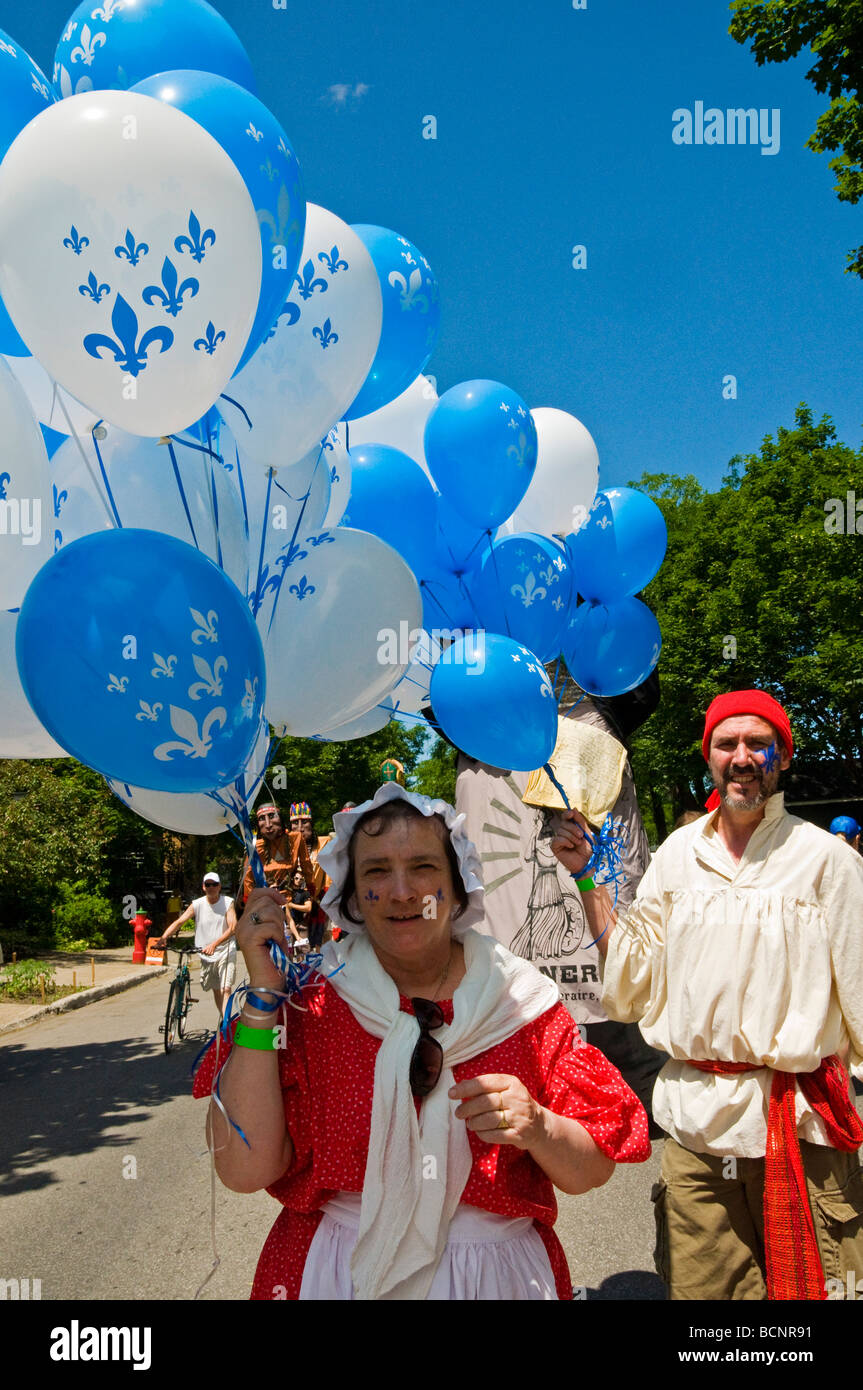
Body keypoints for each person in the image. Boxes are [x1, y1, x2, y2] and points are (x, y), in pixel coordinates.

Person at [193, 783, 650, 1300]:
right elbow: (244, 1169)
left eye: (424, 867)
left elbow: (591, 1170)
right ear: (351, 897)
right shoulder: (308, 1006)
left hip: (495, 1280)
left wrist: (539, 1126)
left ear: (458, 887)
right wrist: (263, 995)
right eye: (377, 870)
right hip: (337, 1275)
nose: (402, 891)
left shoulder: (522, 1004)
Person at [551, 688, 863, 1301]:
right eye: (728, 743)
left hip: (798, 1126)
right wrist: (587, 875)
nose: (742, 757)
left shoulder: (826, 860)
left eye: (758, 743)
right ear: (710, 757)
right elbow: (633, 979)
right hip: (695, 1132)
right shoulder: (676, 859)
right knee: (706, 1305)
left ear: (783, 756)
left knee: (816, 1298)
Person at [158, 872, 237, 1020]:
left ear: (219, 886)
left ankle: (227, 1025)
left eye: (214, 884)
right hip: (206, 953)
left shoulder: (228, 902)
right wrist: (164, 937)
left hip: (225, 950)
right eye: (208, 884)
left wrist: (214, 944)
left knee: (225, 989)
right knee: (215, 989)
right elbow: (179, 922)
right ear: (203, 887)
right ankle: (224, 1017)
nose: (211, 887)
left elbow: (233, 928)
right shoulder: (197, 904)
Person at [240, 802, 317, 907]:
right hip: (265, 904)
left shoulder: (296, 839)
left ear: (281, 819)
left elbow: (306, 866)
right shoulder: (256, 847)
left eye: (272, 816)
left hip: (292, 903)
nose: (268, 825)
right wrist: (249, 903)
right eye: (262, 818)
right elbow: (248, 879)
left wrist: (311, 892)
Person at [289, 800, 332, 950]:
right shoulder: (284, 848)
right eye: (295, 823)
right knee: (294, 949)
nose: (300, 827)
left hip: (317, 905)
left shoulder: (324, 844)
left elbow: (329, 875)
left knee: (320, 946)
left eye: (304, 822)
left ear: (311, 824)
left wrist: (325, 897)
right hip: (291, 907)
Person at [286, 867, 312, 954]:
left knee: (304, 952)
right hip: (288, 925)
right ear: (292, 878)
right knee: (288, 952)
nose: (298, 880)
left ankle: (303, 967)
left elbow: (308, 908)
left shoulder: (305, 893)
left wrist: (292, 905)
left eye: (301, 879)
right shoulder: (286, 891)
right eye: (296, 878)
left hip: (301, 924)